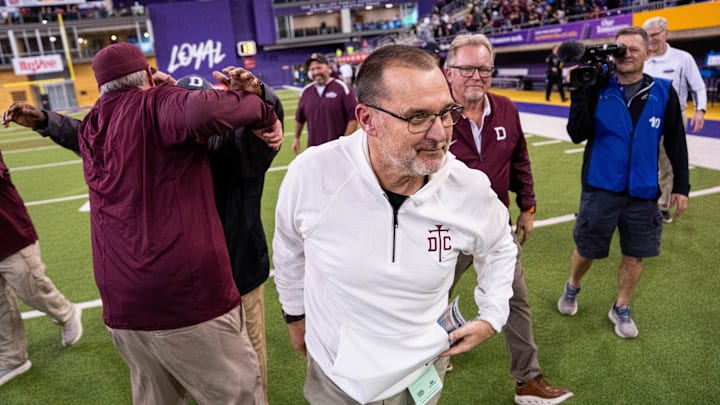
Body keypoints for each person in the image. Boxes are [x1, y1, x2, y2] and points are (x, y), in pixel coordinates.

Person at [2, 72, 283, 401]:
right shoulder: (165, 146)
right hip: (191, 286)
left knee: (246, 370)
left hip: (239, 276)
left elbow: (266, 119)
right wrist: (47, 121)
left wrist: (264, 94)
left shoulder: (237, 145)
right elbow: (95, 137)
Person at [273, 44, 518, 404]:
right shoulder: (313, 174)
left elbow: (499, 245)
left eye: (446, 113)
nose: (440, 135)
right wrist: (296, 318)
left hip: (422, 370)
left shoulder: (468, 188)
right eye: (418, 117)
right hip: (336, 374)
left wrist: (493, 314)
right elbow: (289, 251)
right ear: (368, 119)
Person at [444, 33, 573, 405]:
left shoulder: (506, 109)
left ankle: (527, 380)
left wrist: (527, 208)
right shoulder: (434, 114)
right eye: (466, 68)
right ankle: (432, 352)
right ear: (449, 71)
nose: (475, 76)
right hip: (446, 232)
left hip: (496, 229)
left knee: (516, 300)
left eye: (483, 69)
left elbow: (520, 162)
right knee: (428, 299)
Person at [557, 27, 689, 339]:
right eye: (620, 48)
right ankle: (573, 285)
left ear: (649, 53)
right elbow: (577, 133)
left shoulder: (663, 91)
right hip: (600, 187)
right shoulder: (598, 86)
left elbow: (676, 141)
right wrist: (580, 91)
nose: (626, 54)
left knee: (635, 254)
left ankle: (621, 306)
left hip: (643, 192)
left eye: (633, 49)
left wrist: (682, 186)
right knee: (586, 249)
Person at [0, 151, 83, 387]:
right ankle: (13, 358)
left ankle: (66, 313)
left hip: (10, 233)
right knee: (0, 304)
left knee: (32, 288)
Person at [642, 16, 706, 223]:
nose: (650, 39)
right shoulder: (642, 58)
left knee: (667, 162)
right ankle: (640, 201)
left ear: (666, 33)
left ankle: (662, 206)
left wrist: (700, 110)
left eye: (655, 35)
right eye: (647, 36)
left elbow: (698, 86)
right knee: (642, 160)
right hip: (644, 116)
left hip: (672, 117)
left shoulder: (682, 58)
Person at [293, 52, 358, 155]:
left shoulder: (343, 89)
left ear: (327, 67)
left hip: (338, 150)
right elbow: (299, 118)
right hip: (314, 150)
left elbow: (353, 119)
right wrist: (296, 138)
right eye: (312, 69)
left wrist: (344, 144)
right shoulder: (305, 92)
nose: (316, 72)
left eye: (319, 68)